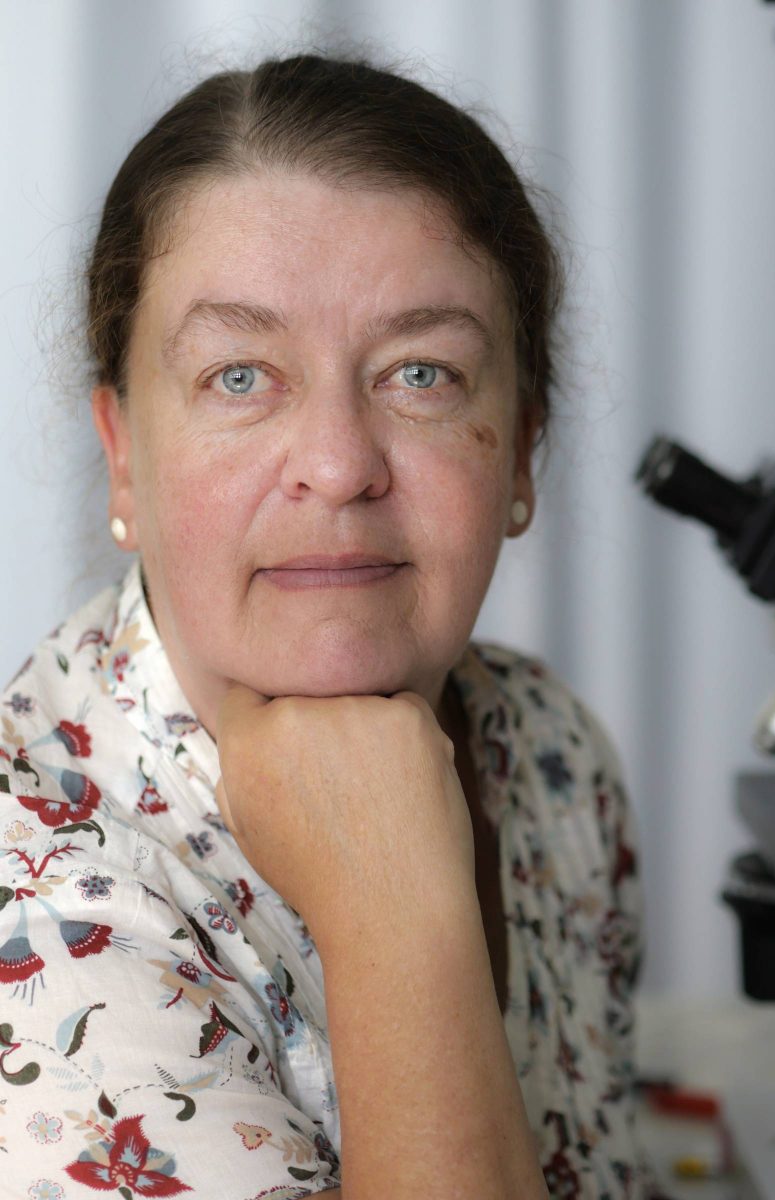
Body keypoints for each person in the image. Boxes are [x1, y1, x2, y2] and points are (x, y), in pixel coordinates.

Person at [1, 51, 654, 1199]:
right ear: (123, 457)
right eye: (242, 377)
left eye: (422, 374)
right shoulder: (36, 900)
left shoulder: (552, 758)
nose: (342, 466)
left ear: (524, 450)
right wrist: (393, 903)